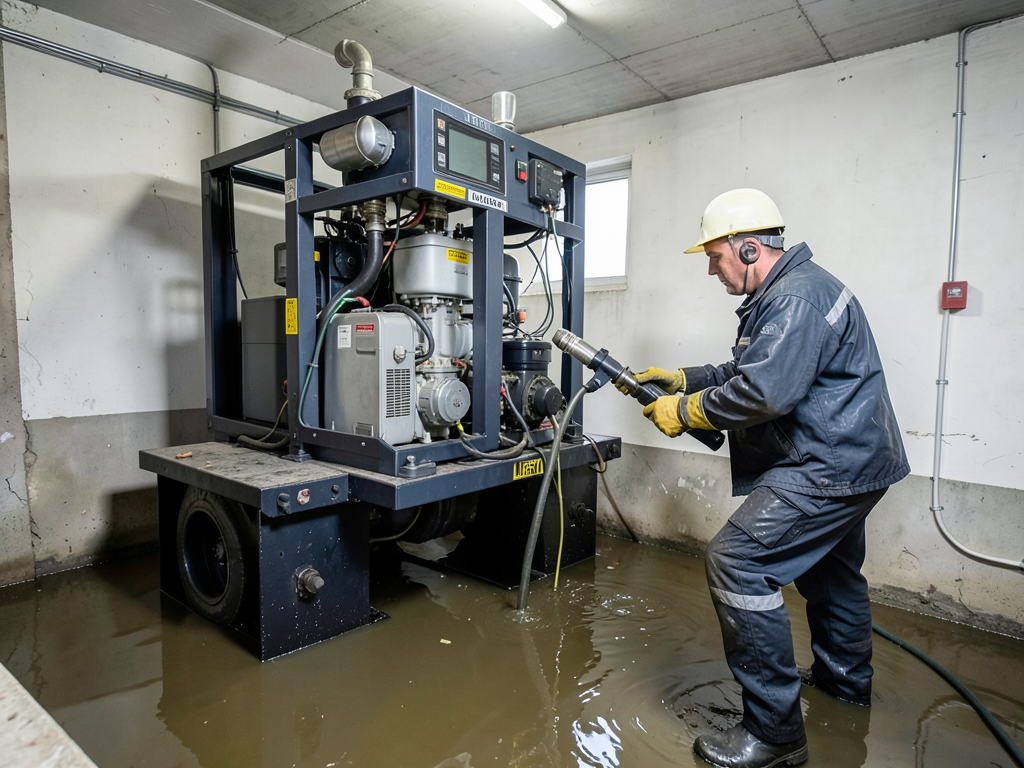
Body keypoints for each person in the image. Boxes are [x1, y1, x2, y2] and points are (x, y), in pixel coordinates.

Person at [627, 189, 909, 768]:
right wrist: (687, 379)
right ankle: (844, 683)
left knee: (738, 562)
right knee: (832, 574)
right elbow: (753, 366)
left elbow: (764, 391)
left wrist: (685, 411)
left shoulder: (796, 298)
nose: (711, 270)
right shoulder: (791, 292)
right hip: (854, 459)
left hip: (826, 464)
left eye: (715, 256)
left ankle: (774, 735)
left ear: (750, 247)